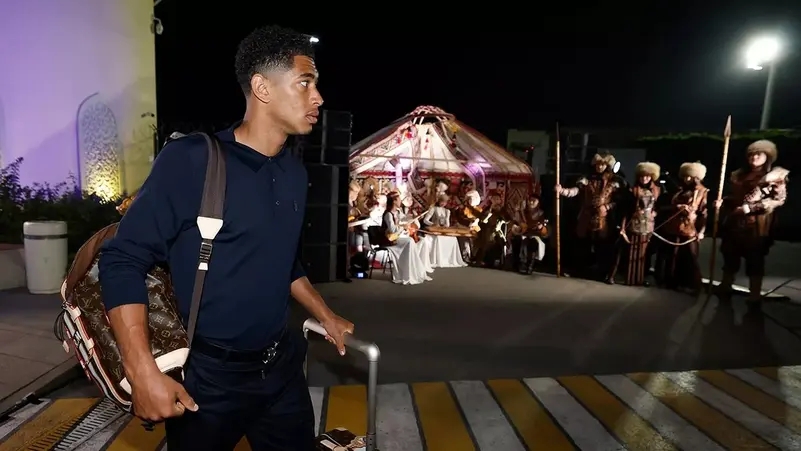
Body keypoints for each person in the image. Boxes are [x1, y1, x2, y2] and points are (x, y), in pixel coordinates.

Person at [98, 25, 354, 451]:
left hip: (281, 370)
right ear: (262, 88)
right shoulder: (194, 161)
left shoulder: (294, 172)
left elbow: (282, 259)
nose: (318, 98)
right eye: (305, 83)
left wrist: (324, 313)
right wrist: (142, 371)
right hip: (209, 382)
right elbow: (123, 258)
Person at [715, 140, 789, 306]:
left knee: (754, 259)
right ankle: (726, 285)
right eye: (751, 155)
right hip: (735, 223)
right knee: (730, 255)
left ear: (767, 157)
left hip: (756, 225)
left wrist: (749, 209)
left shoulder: (775, 177)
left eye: (758, 154)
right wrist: (724, 202)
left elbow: (778, 200)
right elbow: (735, 197)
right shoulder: (739, 175)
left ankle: (754, 293)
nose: (754, 157)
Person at [554, 153, 621, 280]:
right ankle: (578, 270)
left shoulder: (614, 181)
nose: (600, 167)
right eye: (598, 164)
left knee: (603, 246)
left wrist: (607, 207)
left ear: (607, 166)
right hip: (586, 216)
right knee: (582, 245)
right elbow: (575, 191)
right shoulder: (587, 179)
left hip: (604, 218)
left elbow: (618, 200)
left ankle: (602, 273)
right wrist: (562, 191)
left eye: (603, 165)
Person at [656, 161, 708, 295]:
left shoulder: (702, 191)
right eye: (685, 176)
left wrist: (701, 231)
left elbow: (703, 213)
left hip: (689, 228)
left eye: (689, 176)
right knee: (673, 257)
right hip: (673, 226)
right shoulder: (680, 190)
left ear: (696, 177)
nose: (686, 179)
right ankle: (672, 282)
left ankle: (691, 285)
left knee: (690, 257)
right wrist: (677, 207)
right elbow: (668, 206)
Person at [609, 162, 661, 286]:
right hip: (632, 225)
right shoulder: (632, 191)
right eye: (642, 176)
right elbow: (625, 210)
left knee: (644, 254)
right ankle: (627, 277)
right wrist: (622, 226)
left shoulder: (657, 190)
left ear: (652, 176)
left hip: (648, 227)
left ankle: (640, 279)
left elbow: (660, 207)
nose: (644, 179)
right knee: (627, 252)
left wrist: (655, 213)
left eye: (647, 176)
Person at [381, 193, 432, 284]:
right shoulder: (388, 214)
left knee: (414, 240)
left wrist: (414, 217)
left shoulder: (398, 212)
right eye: (399, 199)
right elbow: (392, 230)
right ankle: (407, 270)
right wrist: (402, 226)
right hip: (390, 239)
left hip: (396, 237)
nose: (400, 201)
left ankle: (413, 270)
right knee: (410, 241)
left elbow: (405, 218)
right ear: (394, 201)